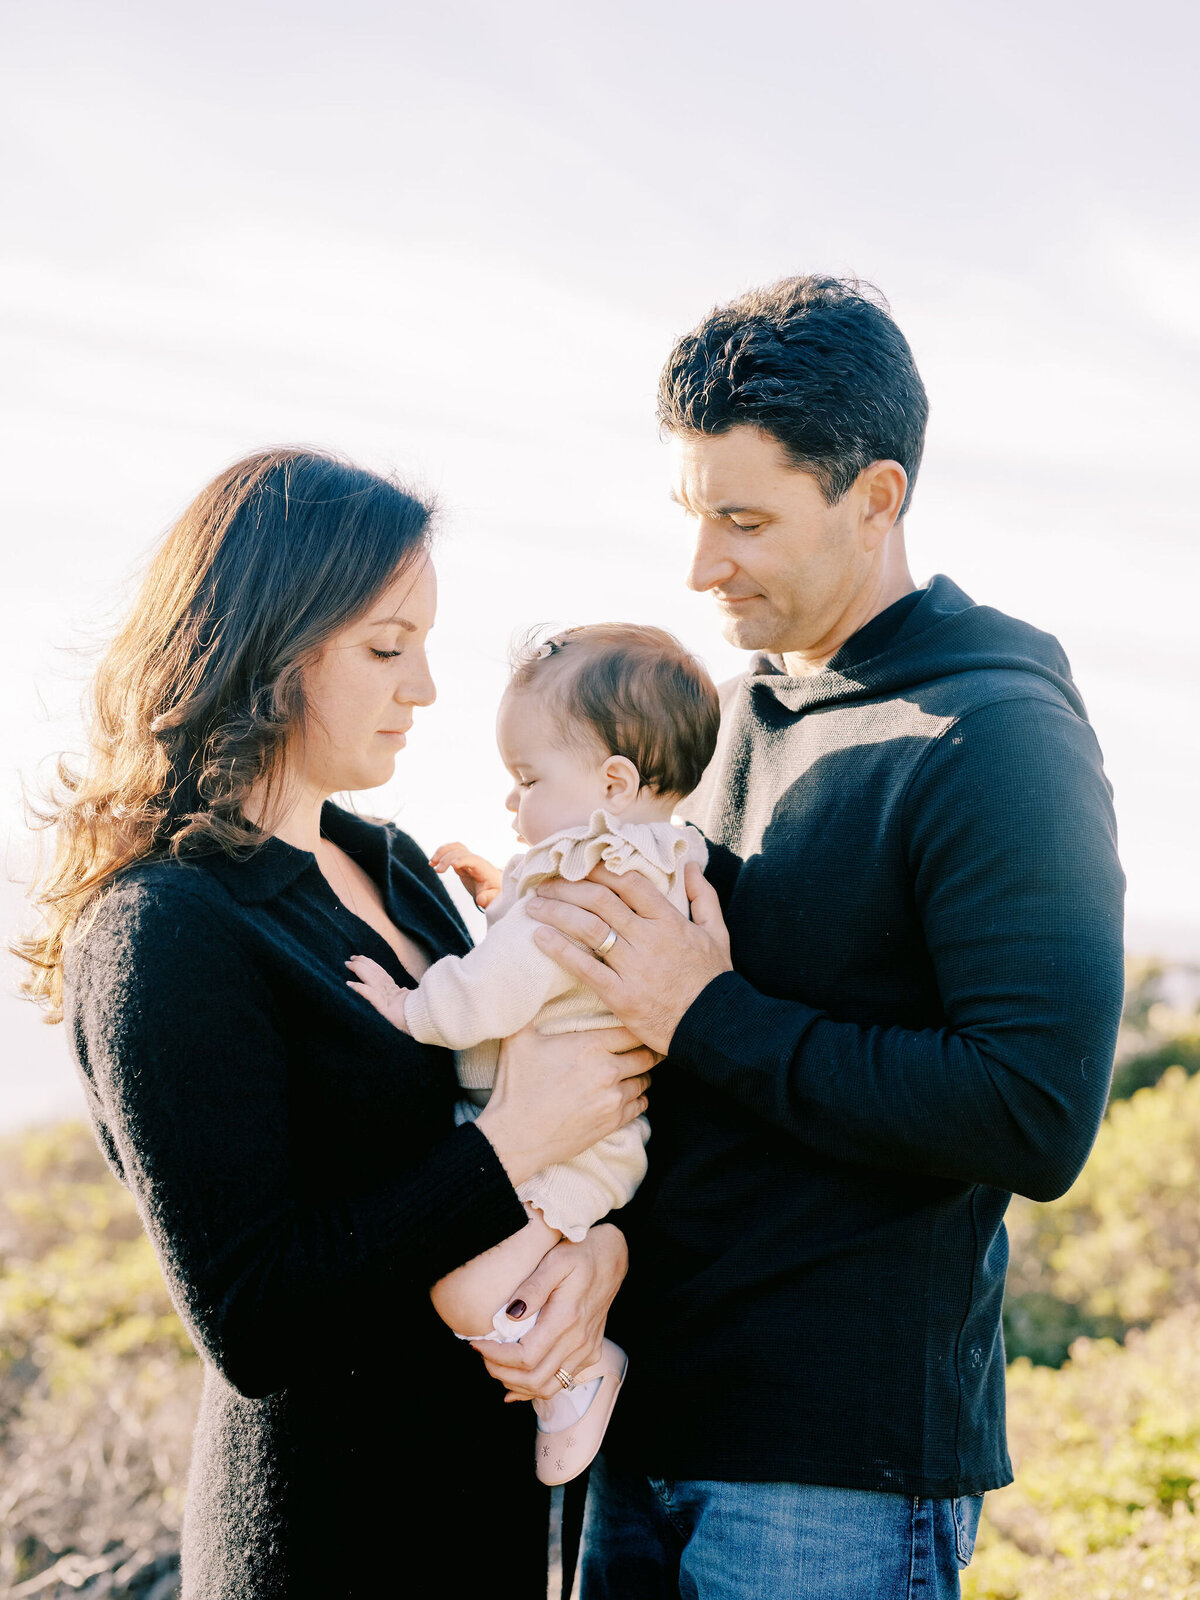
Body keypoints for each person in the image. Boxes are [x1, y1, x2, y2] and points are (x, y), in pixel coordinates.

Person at [522, 276, 1127, 1599]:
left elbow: (1034, 1114)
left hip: (831, 1479)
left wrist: (707, 1012)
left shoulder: (998, 739)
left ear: (877, 498)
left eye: (746, 520)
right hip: (646, 1423)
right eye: (694, 516)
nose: (702, 567)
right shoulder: (741, 720)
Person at [16, 449, 652, 1599]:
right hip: (324, 1543)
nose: (425, 690)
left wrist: (598, 1255)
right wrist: (509, 1148)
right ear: (268, 648)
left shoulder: (397, 868)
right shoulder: (166, 926)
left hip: (488, 1525)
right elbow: (255, 1317)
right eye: (386, 648)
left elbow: (522, 1133)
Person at [345, 623, 716, 1485]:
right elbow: (549, 973)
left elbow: (495, 994)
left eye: (528, 780)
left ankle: (578, 1376)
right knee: (509, 1279)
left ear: (614, 782)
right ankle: (570, 1360)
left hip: (575, 1153)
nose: (513, 806)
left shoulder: (575, 879)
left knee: (466, 1295)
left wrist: (411, 1006)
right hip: (598, 1141)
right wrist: (503, 901)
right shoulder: (652, 862)